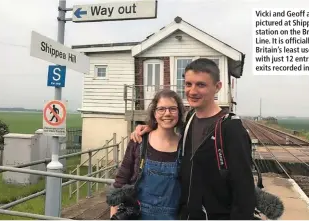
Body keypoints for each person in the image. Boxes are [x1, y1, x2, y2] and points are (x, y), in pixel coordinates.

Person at [130, 58, 256, 220]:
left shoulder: (231, 129)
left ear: (217, 87)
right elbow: (169, 128)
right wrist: (150, 127)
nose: (192, 91)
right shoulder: (189, 119)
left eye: (201, 85)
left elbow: (244, 191)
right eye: (188, 84)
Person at [106, 89, 186, 220]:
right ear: (154, 113)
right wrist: (113, 215)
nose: (167, 113)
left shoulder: (185, 146)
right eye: (161, 109)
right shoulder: (139, 141)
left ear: (179, 112)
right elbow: (121, 179)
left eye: (172, 109)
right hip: (138, 214)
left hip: (172, 216)